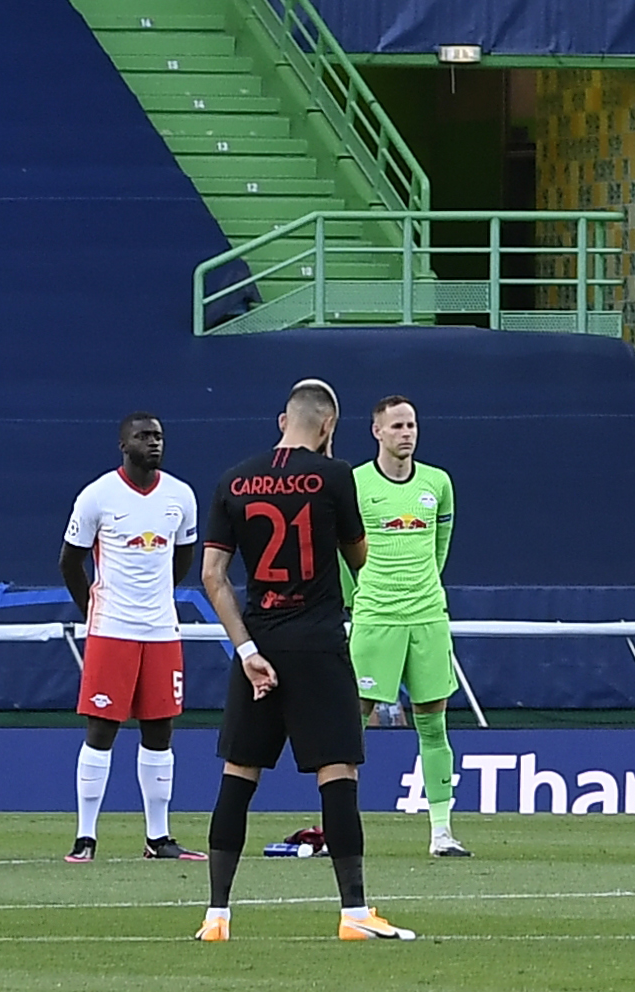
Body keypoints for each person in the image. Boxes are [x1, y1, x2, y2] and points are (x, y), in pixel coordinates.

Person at [194, 377, 411, 943]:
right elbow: (358, 555)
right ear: (329, 427)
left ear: (281, 420)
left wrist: (245, 650)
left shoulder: (233, 478)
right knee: (337, 771)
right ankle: (354, 913)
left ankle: (216, 916)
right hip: (317, 642)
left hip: (259, 644)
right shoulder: (336, 476)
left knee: (238, 774)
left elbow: (213, 576)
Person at [61, 411, 201, 864]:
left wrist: (159, 598)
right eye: (143, 436)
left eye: (159, 436)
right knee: (102, 729)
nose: (153, 443)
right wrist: (96, 608)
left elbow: (183, 556)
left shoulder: (180, 496)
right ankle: (85, 836)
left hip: (161, 631)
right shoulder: (97, 496)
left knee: (160, 730)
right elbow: (70, 561)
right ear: (123, 444)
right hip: (112, 631)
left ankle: (158, 838)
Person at [348, 396, 466, 861]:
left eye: (412, 424)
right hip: (376, 615)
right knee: (351, 721)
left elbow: (441, 544)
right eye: (397, 425)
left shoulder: (438, 483)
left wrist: (426, 589)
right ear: (376, 430)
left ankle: (442, 833)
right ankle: (341, 826)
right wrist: (357, 597)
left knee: (433, 721)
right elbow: (345, 550)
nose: (407, 433)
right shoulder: (356, 484)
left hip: (427, 616)